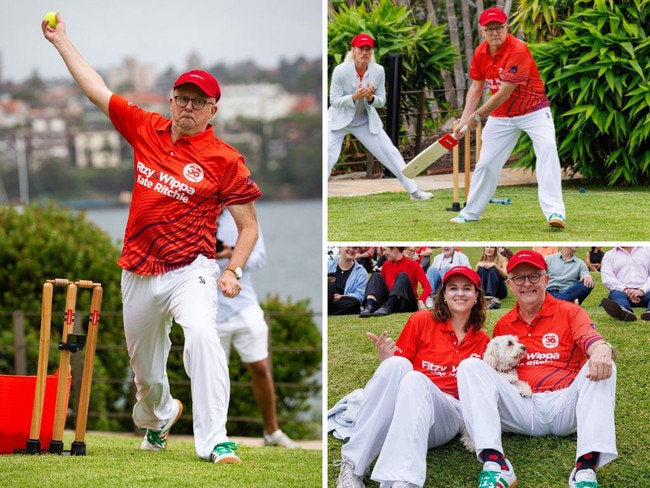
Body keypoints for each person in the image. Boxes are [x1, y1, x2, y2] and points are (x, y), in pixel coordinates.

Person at [42, 14, 262, 464]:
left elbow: (249, 227)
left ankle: (216, 440)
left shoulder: (225, 160)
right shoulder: (145, 128)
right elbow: (96, 90)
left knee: (202, 336)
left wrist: (233, 269)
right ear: (171, 99)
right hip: (137, 270)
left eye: (198, 102)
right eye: (182, 98)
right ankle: (161, 417)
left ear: (213, 110)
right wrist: (62, 41)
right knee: (146, 374)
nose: (187, 108)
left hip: (191, 269)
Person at [457, 250, 617, 488]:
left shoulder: (570, 311)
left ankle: (585, 471)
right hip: (521, 406)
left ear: (546, 279)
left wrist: (602, 349)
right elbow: (498, 367)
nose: (527, 284)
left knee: (605, 361)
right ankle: (495, 464)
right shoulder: (504, 323)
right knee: (469, 366)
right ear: (510, 284)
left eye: (533, 276)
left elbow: (590, 339)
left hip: (564, 404)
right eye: (519, 278)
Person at [334, 266, 490, 488]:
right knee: (397, 365)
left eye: (467, 289)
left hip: (447, 415)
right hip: (409, 407)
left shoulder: (482, 339)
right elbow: (398, 369)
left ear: (476, 297)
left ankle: (401, 483)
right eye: (453, 288)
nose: (460, 293)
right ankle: (353, 466)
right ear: (444, 295)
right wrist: (385, 357)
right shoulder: (421, 321)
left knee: (416, 379)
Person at [449, 7, 566, 229]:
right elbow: (476, 87)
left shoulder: (518, 50)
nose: (495, 32)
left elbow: (504, 93)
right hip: (502, 116)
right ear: (482, 31)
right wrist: (465, 120)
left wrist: (478, 115)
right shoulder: (480, 53)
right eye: (490, 29)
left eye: (499, 28)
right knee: (486, 164)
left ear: (507, 27)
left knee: (548, 149)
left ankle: (555, 213)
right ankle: (471, 212)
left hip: (534, 110)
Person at [215, 209, 298, 449]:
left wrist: (232, 255)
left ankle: (272, 432)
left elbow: (259, 258)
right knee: (213, 375)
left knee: (261, 367)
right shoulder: (195, 212)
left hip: (243, 304)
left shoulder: (243, 217)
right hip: (208, 308)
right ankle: (217, 434)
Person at [328, 33, 433, 201]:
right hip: (338, 121)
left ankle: (414, 192)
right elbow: (333, 101)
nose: (364, 52)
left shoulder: (378, 71)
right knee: (327, 155)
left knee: (390, 152)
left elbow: (381, 101)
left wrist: (370, 98)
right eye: (361, 49)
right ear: (353, 50)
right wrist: (354, 97)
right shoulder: (340, 71)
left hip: (364, 120)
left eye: (368, 49)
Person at [359, 247, 432, 317]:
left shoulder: (414, 265)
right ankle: (370, 305)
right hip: (387, 303)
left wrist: (421, 300)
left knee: (403, 276)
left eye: (385, 250)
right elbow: (381, 286)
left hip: (406, 302)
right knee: (376, 276)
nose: (383, 253)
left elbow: (427, 287)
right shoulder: (386, 265)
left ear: (394, 250)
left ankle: (389, 305)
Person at [600, 246, 650, 322]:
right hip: (622, 292)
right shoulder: (609, 255)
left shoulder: (647, 250)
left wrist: (642, 290)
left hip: (646, 292)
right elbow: (607, 278)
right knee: (615, 294)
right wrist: (625, 290)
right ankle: (625, 311)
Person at [328, 246, 370, 315]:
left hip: (342, 302)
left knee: (354, 303)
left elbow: (360, 295)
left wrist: (342, 296)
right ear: (339, 247)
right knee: (328, 285)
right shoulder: (328, 264)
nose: (351, 249)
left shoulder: (361, 272)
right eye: (348, 246)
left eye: (355, 248)